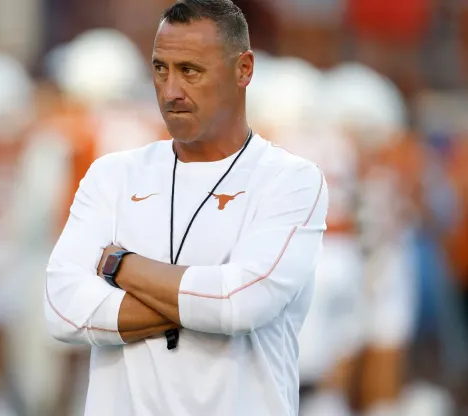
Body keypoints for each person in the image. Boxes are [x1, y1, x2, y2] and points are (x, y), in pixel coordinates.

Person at [44, 1, 329, 415]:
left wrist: (120, 266)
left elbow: (240, 302)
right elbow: (61, 310)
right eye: (161, 69)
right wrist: (201, 301)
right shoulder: (113, 174)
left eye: (190, 71)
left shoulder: (290, 178)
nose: (171, 90)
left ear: (243, 69)